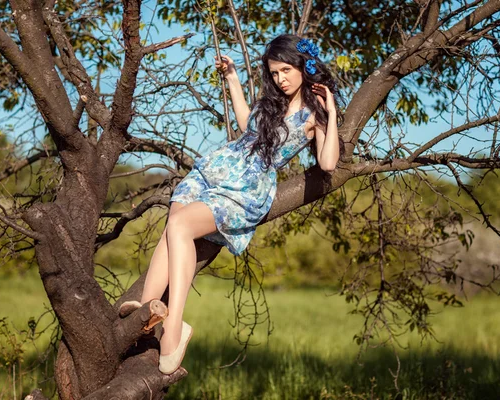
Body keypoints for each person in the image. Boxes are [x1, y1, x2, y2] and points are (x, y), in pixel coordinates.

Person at [119, 34, 343, 374]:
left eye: (286, 70)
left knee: (179, 227)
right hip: (215, 169)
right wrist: (232, 79)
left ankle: (175, 326)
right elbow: (247, 128)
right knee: (173, 224)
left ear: (304, 66)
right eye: (274, 73)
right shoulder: (272, 103)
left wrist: (333, 113)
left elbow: (327, 164)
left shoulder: (314, 113)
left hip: (245, 189)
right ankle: (145, 311)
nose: (280, 79)